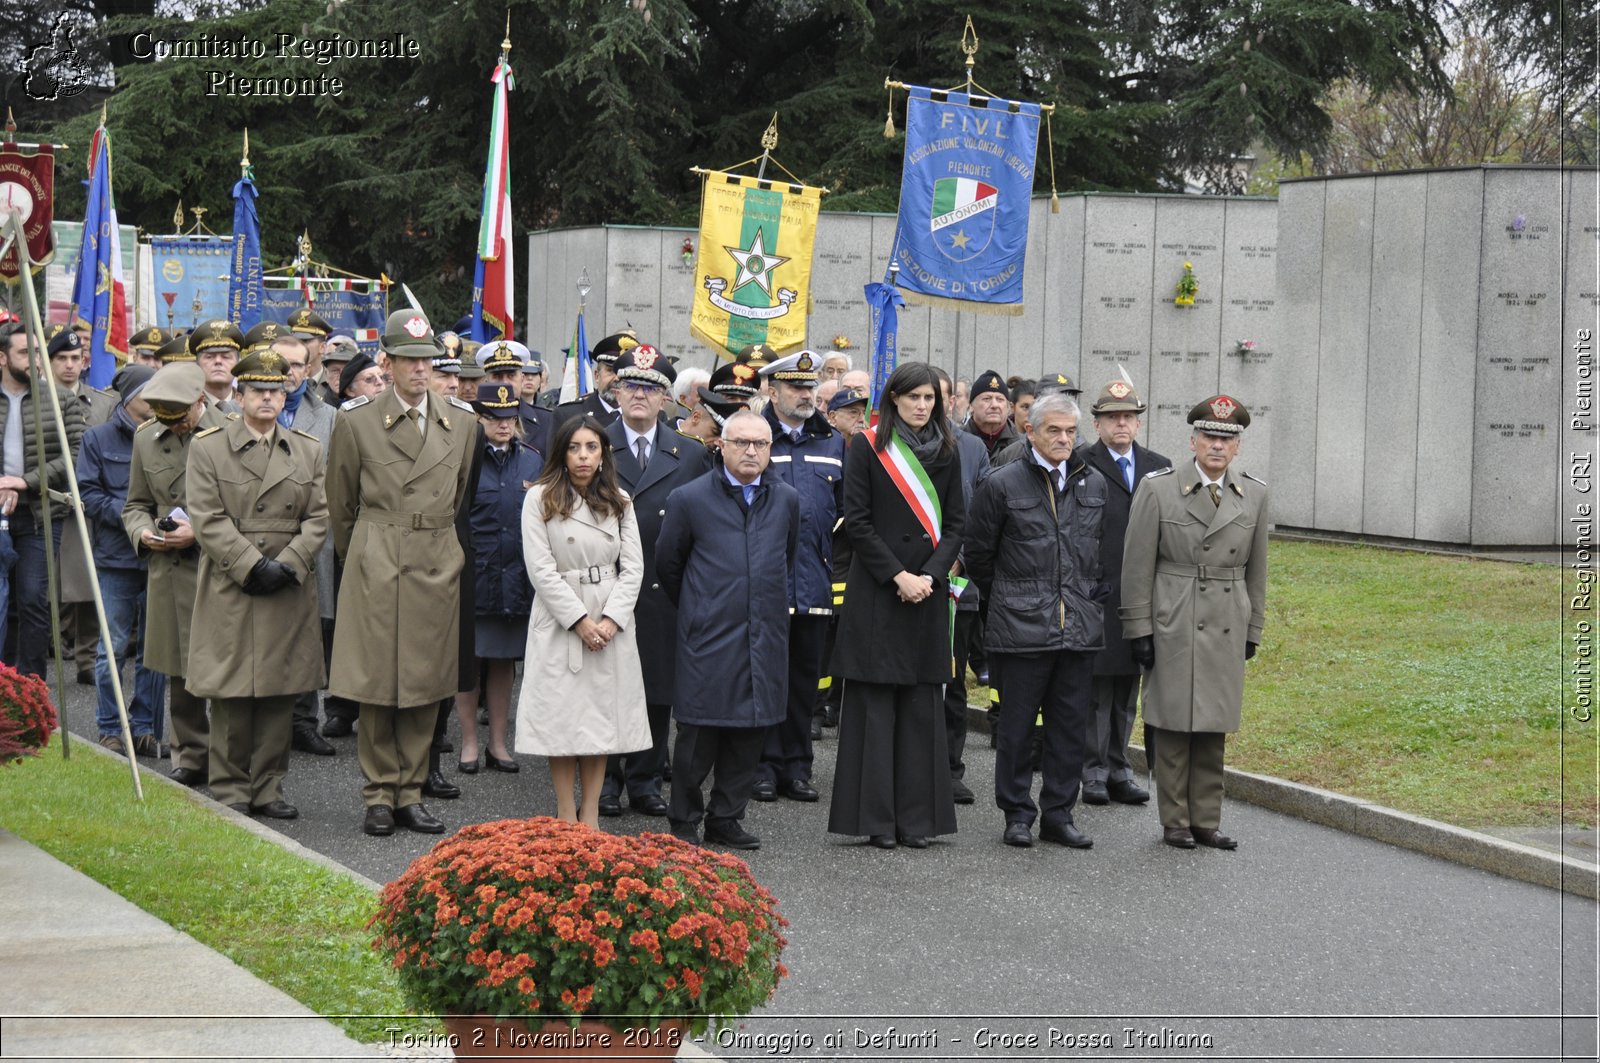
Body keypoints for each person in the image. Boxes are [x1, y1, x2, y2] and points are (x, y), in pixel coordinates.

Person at [326, 310, 477, 838]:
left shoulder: (463, 420)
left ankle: (410, 791)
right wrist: (366, 553)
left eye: (427, 360)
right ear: (387, 363)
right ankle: (378, 794)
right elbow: (341, 504)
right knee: (376, 684)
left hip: (435, 557)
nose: (420, 370)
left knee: (425, 682)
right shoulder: (356, 419)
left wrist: (429, 539)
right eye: (409, 360)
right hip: (377, 554)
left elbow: (457, 497)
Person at [185, 346, 329, 819]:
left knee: (278, 691)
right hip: (233, 583)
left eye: (276, 390)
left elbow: (320, 517)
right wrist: (251, 565)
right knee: (231, 694)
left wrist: (287, 563)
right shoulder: (207, 447)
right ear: (241, 395)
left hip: (286, 584)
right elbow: (206, 518)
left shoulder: (307, 450)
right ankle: (230, 788)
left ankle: (268, 787)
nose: (268, 398)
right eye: (258, 391)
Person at [1121, 394, 1268, 851]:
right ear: (1193, 440)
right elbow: (1137, 565)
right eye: (1209, 436)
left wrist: (1253, 627)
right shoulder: (1159, 488)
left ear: (1238, 446)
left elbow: (1257, 569)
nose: (1217, 446)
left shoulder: (1255, 493)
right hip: (1175, 612)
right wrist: (1138, 628)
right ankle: (1176, 820)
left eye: (1227, 439)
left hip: (1226, 615)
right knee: (1171, 720)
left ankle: (1207, 819)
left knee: (1212, 723)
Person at [827, 362, 964, 850]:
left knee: (920, 709)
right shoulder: (866, 446)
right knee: (876, 708)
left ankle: (917, 819)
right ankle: (877, 819)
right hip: (880, 592)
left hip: (926, 592)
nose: (922, 406)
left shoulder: (948, 448)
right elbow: (856, 520)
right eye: (913, 398)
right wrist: (898, 575)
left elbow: (957, 523)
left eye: (930, 398)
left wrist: (930, 574)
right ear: (893, 400)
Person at [965, 392, 1106, 849]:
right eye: (1054, 431)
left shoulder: (1093, 483)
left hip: (1078, 628)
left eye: (1071, 431)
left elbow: (1100, 553)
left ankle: (1059, 814)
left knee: (1069, 729)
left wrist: (1087, 600)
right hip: (1020, 628)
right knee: (1018, 728)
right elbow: (981, 556)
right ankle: (1017, 813)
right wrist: (1009, 603)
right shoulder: (1002, 484)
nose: (1064, 439)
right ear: (1030, 431)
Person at [656, 410, 798, 850]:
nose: (751, 451)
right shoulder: (690, 498)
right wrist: (704, 608)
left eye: (760, 444)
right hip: (709, 634)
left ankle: (726, 819)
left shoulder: (787, 500)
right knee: (699, 733)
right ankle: (683, 822)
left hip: (764, 635)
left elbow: (786, 559)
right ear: (722, 446)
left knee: (748, 733)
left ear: (771, 450)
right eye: (741, 443)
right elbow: (669, 564)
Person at [517, 416, 651, 825]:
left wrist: (610, 619)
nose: (583, 457)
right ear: (562, 452)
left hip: (610, 614)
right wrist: (579, 621)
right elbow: (540, 569)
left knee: (599, 721)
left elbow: (634, 568)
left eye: (592, 447)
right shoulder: (539, 498)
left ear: (603, 453)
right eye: (574, 447)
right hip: (561, 616)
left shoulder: (620, 500)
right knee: (563, 719)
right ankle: (563, 811)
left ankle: (590, 812)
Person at [597, 345, 710, 818]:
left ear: (667, 399)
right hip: (605, 584)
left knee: (656, 689)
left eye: (651, 388)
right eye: (631, 385)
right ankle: (604, 782)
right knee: (605, 689)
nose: (639, 395)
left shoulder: (689, 453)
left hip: (663, 587)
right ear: (616, 391)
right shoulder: (591, 443)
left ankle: (645, 780)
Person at [121, 361, 224, 785]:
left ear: (201, 401)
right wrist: (142, 533)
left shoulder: (231, 430)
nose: (176, 427)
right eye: (167, 420)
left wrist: (197, 532)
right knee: (179, 670)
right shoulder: (147, 438)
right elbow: (134, 504)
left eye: (181, 418)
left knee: (225, 666)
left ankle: (229, 758)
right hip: (170, 568)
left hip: (221, 565)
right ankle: (190, 755)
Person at [751, 351, 843, 804]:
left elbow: (846, 516)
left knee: (805, 682)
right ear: (772, 391)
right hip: (765, 584)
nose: (806, 394)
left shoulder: (833, 443)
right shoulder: (754, 438)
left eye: (810, 386)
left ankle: (797, 767)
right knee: (767, 679)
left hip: (814, 584)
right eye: (795, 386)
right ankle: (762, 767)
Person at [1078, 379, 1171, 806]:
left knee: (1128, 690)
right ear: (1096, 424)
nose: (1121, 423)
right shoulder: (1081, 463)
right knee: (1096, 689)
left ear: (1137, 423)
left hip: (1142, 594)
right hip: (1096, 591)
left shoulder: (1159, 466)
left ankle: (1119, 768)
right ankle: (1092, 772)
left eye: (1129, 417)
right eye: (1112, 416)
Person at [250, 327, 340, 758]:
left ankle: (305, 721)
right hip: (259, 541)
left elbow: (336, 483)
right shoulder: (242, 410)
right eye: (279, 365)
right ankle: (261, 722)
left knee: (310, 629)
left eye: (297, 365)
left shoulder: (328, 417)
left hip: (311, 542)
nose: (288, 375)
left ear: (310, 368)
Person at [78, 364, 166, 756]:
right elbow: (88, 495)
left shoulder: (168, 434)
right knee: (111, 649)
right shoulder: (97, 438)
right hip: (116, 557)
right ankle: (110, 728)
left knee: (156, 649)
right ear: (132, 398)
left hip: (161, 555)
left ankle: (145, 727)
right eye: (152, 391)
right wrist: (134, 520)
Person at [456, 381, 541, 774]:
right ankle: (470, 742)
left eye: (509, 417)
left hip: (515, 576)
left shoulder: (532, 462)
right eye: (493, 417)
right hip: (475, 572)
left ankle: (498, 744)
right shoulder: (465, 458)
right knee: (468, 662)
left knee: (505, 662)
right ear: (479, 418)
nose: (503, 425)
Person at [0, 322, 87, 679]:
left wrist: (24, 481)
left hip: (39, 514)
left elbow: (76, 456)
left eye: (37, 352)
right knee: (6, 604)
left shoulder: (61, 399)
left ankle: (30, 689)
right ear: (2, 358)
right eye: (25, 353)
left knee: (34, 600)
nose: (35, 360)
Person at [931, 366, 991, 805]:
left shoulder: (971, 448)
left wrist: (960, 562)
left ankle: (950, 769)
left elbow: (982, 516)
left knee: (952, 683)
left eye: (944, 395)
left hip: (957, 585)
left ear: (954, 401)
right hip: (906, 583)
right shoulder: (891, 447)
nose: (935, 402)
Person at [47, 327, 115, 685]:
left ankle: (88, 657)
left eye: (76, 358)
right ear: (49, 360)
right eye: (62, 358)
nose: (70, 365)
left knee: (89, 582)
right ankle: (53, 646)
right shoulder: (37, 399)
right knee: (48, 584)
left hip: (90, 503)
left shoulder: (103, 402)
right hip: (47, 499)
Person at [551, 330, 635, 428]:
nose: (617, 378)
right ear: (597, 375)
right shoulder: (567, 416)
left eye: (623, 372)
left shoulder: (647, 417)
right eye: (610, 370)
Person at [188, 320, 243, 413]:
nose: (218, 361)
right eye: (210, 357)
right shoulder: (187, 408)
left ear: (238, 364)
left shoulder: (249, 407)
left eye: (226, 357)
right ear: (197, 364)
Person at [964, 369, 1018, 456]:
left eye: (1000, 399)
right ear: (971, 406)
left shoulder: (1022, 445)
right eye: (986, 399)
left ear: (1008, 407)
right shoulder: (955, 441)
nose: (994, 405)